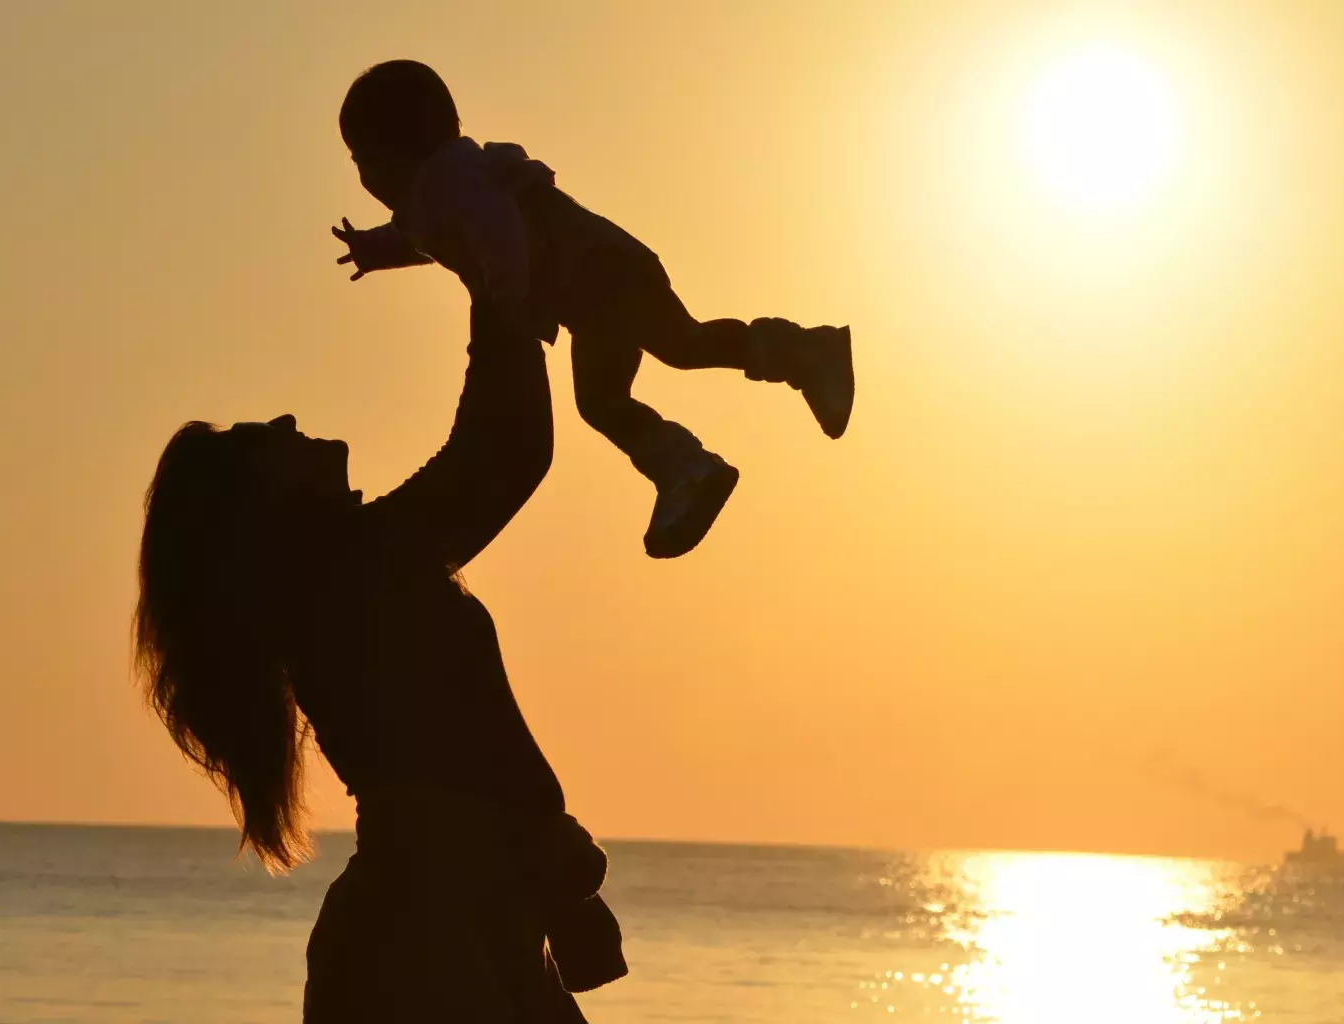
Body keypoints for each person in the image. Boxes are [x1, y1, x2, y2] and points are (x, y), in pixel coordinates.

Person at [135, 304, 619, 1022]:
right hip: (429, 932)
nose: (288, 421)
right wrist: (498, 281)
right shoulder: (347, 568)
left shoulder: (347, 567)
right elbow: (500, 453)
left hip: (457, 915)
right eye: (260, 439)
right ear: (257, 506)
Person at [331, 59, 855, 559]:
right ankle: (792, 363)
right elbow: (418, 238)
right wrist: (372, 251)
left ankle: (692, 464)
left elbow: (496, 222)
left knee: (624, 385)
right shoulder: (442, 189)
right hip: (601, 275)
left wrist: (509, 293)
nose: (364, 177)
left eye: (362, 160)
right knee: (677, 348)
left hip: (595, 275)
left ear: (396, 151)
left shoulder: (447, 181)